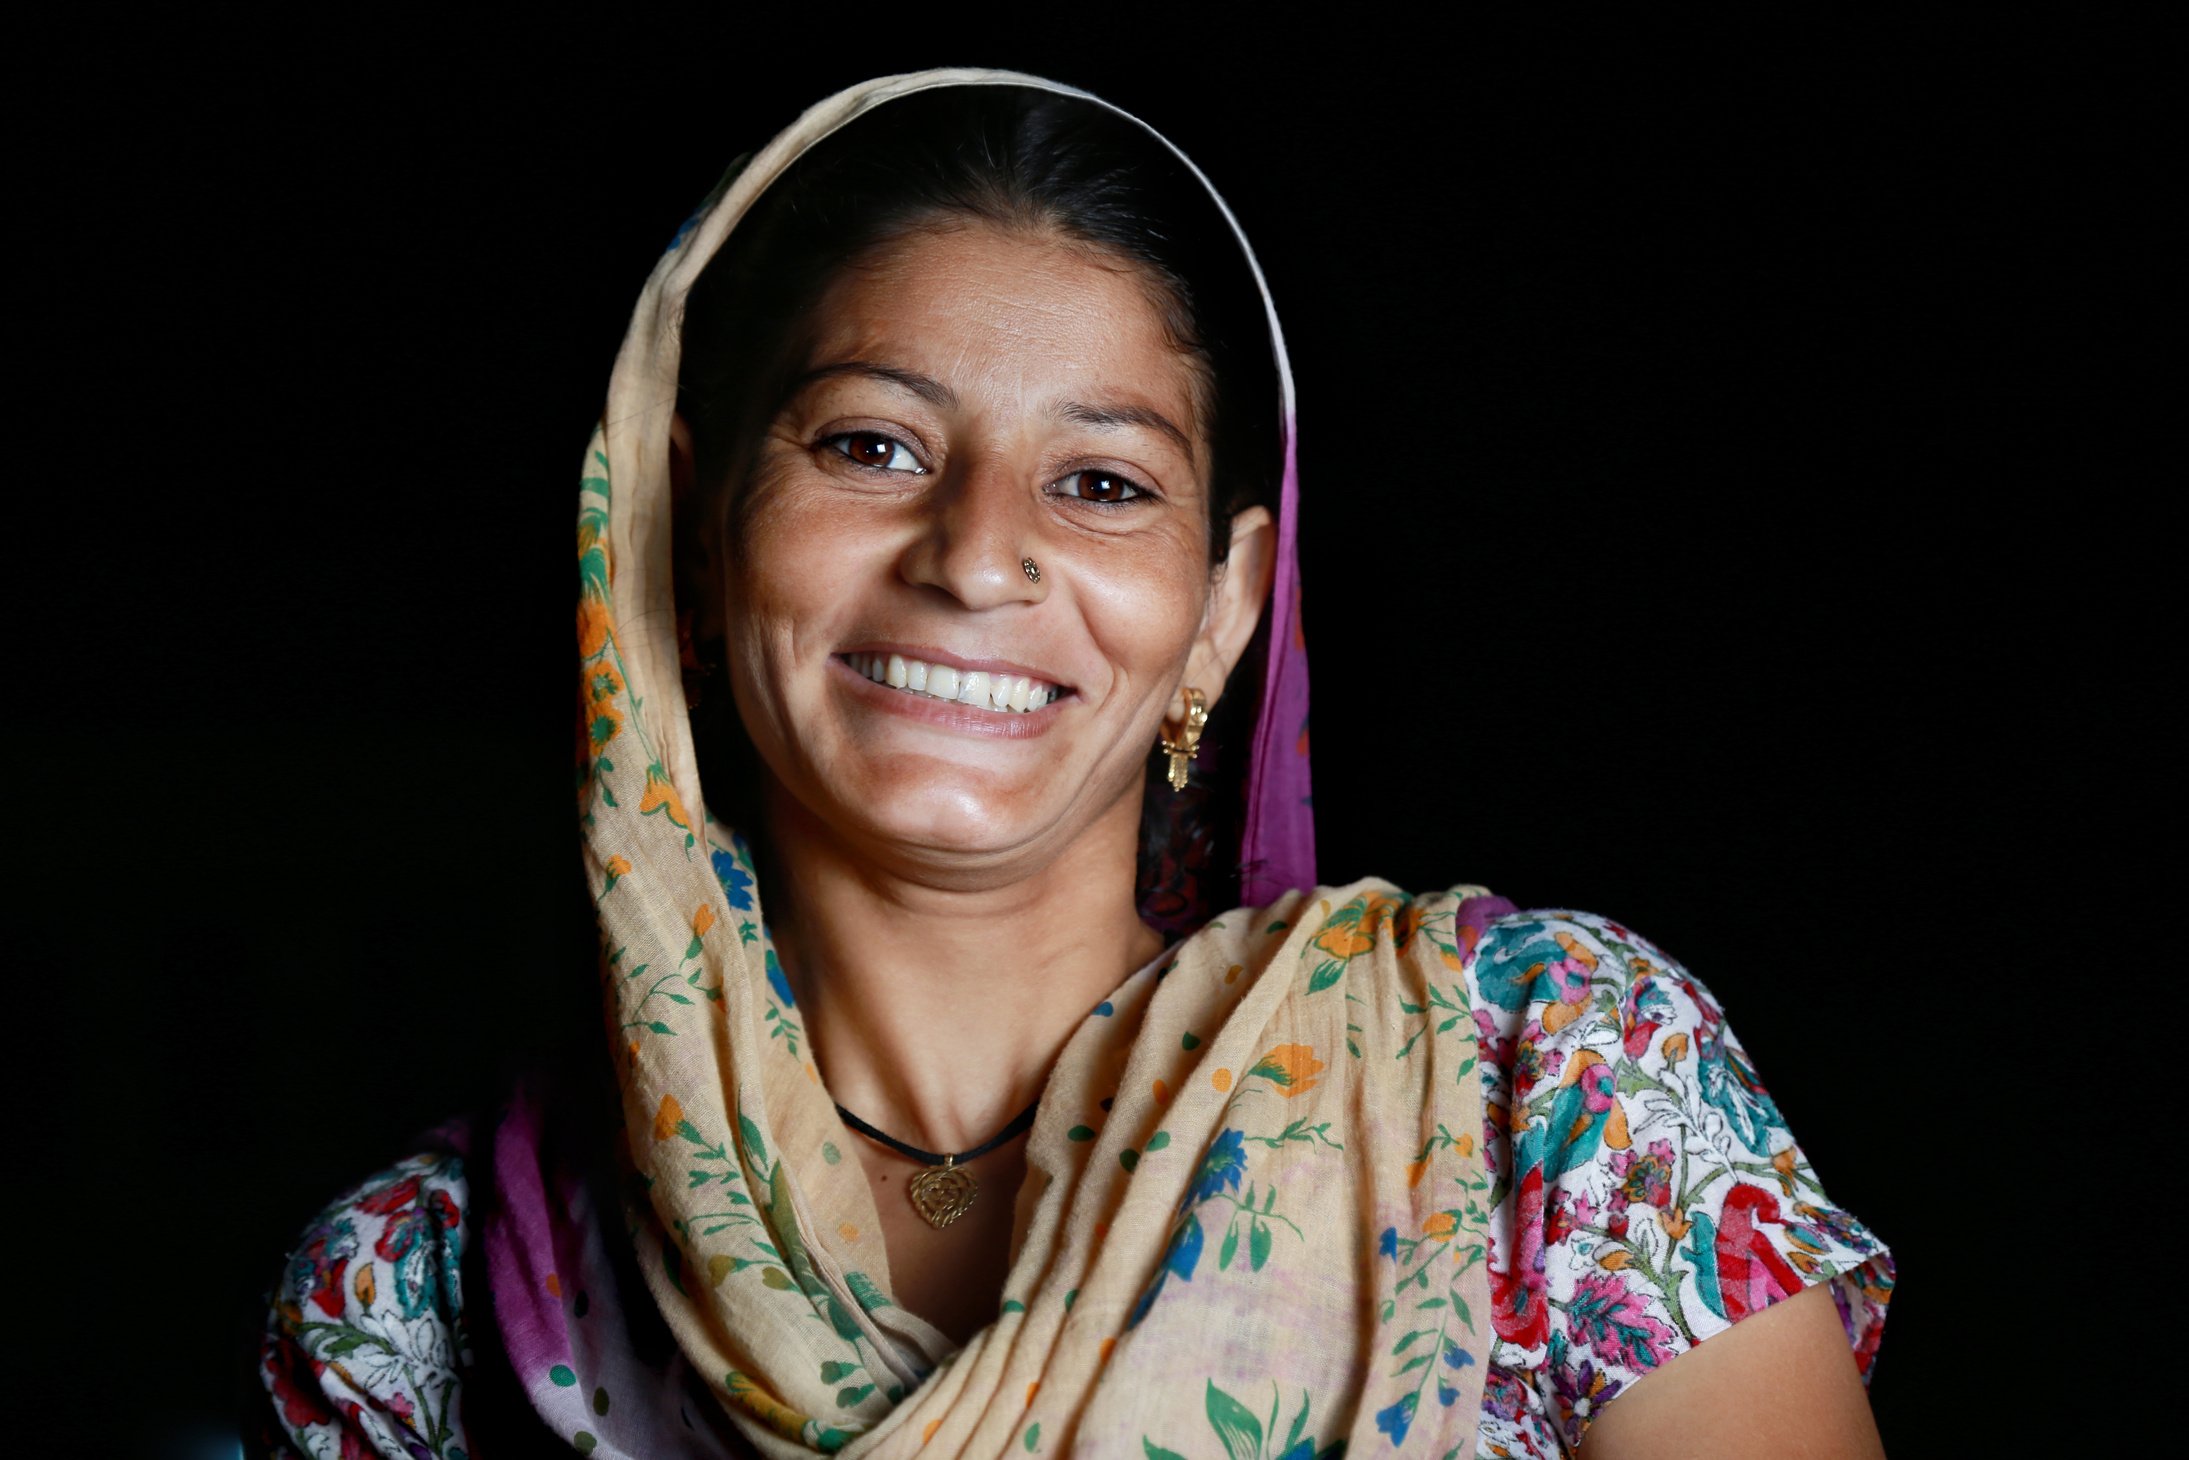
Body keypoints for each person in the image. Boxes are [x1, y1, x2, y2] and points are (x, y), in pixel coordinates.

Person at [256, 69, 1894, 1458]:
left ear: (1221, 608)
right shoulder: (417, 1296)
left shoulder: (1543, 1081)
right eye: (871, 445)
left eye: (1101, 483)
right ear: (690, 539)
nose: (977, 558)